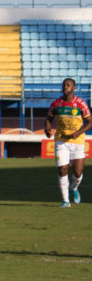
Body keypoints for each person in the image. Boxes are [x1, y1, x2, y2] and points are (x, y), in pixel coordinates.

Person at [45, 78, 92, 208]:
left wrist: (79, 132)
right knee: (62, 169)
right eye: (64, 85)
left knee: (77, 173)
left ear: (74, 88)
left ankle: (74, 187)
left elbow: (90, 122)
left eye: (68, 85)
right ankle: (66, 201)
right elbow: (49, 118)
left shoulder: (81, 104)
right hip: (61, 141)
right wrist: (47, 128)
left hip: (77, 142)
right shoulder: (56, 104)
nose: (65, 87)